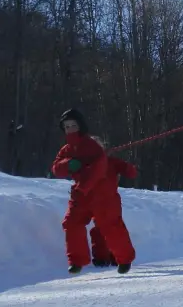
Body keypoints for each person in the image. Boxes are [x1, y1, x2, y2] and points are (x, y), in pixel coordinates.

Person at [51, 108, 136, 274]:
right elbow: (56, 168)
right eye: (66, 127)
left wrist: (84, 185)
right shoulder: (66, 150)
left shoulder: (93, 148)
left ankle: (124, 259)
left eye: (73, 126)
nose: (70, 130)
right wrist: (68, 164)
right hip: (81, 195)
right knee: (71, 223)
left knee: (109, 226)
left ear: (81, 126)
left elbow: (100, 169)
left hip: (103, 196)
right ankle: (76, 260)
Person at [89, 155, 139, 267]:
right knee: (100, 228)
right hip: (94, 200)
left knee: (113, 227)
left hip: (110, 200)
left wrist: (128, 167)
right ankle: (103, 257)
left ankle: (116, 256)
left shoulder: (111, 162)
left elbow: (131, 173)